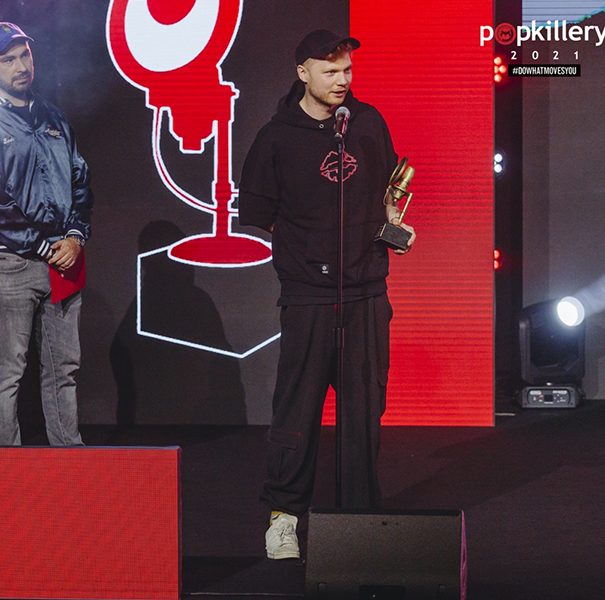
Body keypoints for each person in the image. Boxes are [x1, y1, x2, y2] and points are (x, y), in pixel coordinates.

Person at [238, 29, 415, 560]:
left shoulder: (368, 122)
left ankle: (358, 524)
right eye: (330, 70)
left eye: (347, 70)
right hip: (309, 297)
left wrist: (391, 224)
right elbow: (259, 212)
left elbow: (390, 189)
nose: (342, 80)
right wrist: (308, 250)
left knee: (364, 416)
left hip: (367, 293)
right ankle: (284, 519)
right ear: (303, 73)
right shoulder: (276, 137)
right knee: (297, 412)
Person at [0, 22, 93, 447]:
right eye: (8, 59)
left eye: (25, 56)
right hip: (9, 262)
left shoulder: (53, 116)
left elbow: (80, 180)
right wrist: (41, 245)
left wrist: (75, 236)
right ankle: (7, 469)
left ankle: (68, 460)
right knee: (8, 371)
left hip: (62, 260)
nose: (20, 66)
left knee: (64, 369)